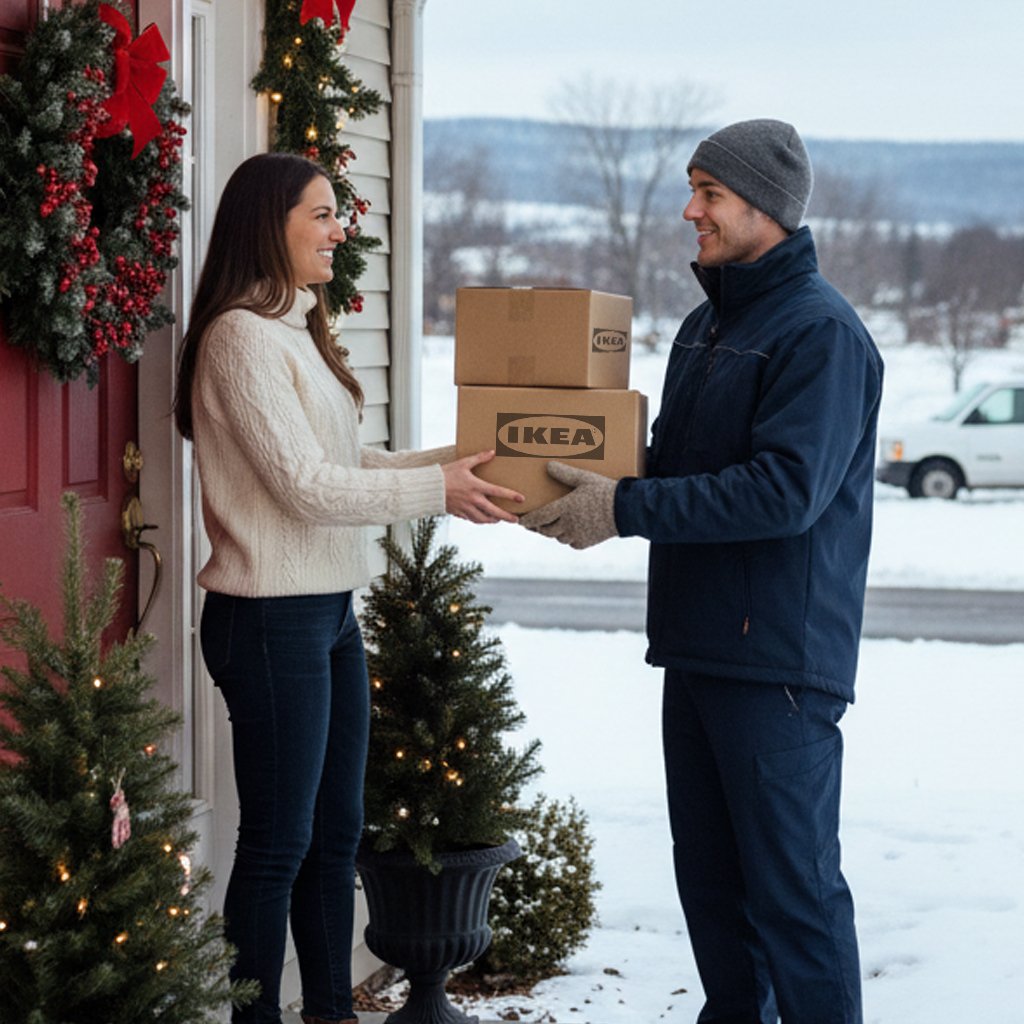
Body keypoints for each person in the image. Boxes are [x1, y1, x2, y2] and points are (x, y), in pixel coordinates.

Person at [521, 119, 882, 1024]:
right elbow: (678, 466)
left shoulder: (822, 336)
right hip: (698, 647)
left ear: (766, 206)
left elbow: (782, 492)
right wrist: (566, 468)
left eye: (710, 193)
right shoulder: (706, 326)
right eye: (694, 188)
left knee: (793, 900)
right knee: (717, 902)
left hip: (777, 666)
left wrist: (624, 508)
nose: (691, 210)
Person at [172, 152, 522, 1024]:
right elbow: (303, 488)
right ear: (271, 225)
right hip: (266, 617)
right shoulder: (238, 339)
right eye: (322, 214)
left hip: (325, 611)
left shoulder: (292, 327)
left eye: (339, 213)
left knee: (335, 841)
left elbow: (341, 465)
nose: (341, 230)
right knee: (279, 846)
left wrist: (450, 462)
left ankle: (328, 1011)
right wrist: (433, 494)